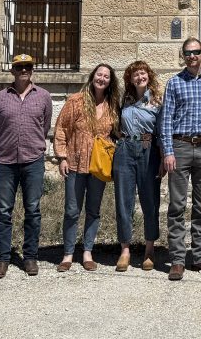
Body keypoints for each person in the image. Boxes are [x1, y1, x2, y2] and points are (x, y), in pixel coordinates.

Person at [159, 37, 201, 281]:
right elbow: (166, 120)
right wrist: (168, 151)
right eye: (187, 53)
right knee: (177, 206)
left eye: (196, 52)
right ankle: (177, 260)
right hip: (181, 147)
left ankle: (200, 257)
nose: (192, 56)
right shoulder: (174, 83)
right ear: (183, 56)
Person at [0, 53, 53, 279]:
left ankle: (30, 256)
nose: (24, 70)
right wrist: (5, 146)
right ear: (12, 71)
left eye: (28, 66)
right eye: (19, 67)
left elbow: (44, 127)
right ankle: (3, 258)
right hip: (6, 162)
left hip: (33, 161)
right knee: (4, 210)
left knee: (32, 210)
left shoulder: (43, 96)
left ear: (32, 70)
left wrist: (33, 145)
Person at [53, 63, 121, 272]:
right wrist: (62, 157)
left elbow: (118, 133)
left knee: (93, 210)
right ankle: (68, 254)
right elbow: (61, 129)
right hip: (75, 163)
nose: (102, 79)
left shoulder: (113, 105)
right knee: (72, 211)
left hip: (98, 166)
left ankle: (87, 252)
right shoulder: (76, 101)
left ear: (110, 81)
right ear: (92, 77)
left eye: (106, 76)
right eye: (99, 75)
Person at [114, 60, 163, 272]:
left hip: (147, 146)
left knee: (150, 199)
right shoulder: (124, 99)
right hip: (125, 147)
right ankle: (125, 250)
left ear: (148, 76)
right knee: (123, 200)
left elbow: (162, 130)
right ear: (130, 79)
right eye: (135, 74)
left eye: (143, 73)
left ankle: (149, 250)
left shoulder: (157, 100)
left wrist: (163, 158)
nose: (140, 77)